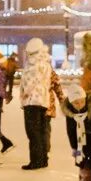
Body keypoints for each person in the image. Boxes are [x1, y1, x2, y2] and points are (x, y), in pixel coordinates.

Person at [18, 37, 63, 169]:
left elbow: (28, 85)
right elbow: (55, 83)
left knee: (33, 133)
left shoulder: (32, 65)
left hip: (32, 102)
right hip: (43, 102)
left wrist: (24, 95)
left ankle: (36, 161)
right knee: (42, 132)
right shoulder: (46, 64)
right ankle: (43, 159)